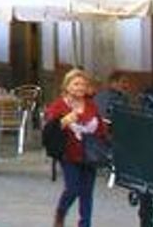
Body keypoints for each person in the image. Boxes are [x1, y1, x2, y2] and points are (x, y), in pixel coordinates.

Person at [45, 68, 108, 227]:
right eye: (76, 84)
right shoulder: (59, 105)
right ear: (67, 86)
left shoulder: (91, 105)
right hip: (69, 154)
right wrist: (63, 121)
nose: (79, 87)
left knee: (87, 193)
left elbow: (100, 127)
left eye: (83, 84)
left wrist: (105, 145)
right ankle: (61, 212)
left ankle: (85, 224)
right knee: (72, 189)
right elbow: (49, 130)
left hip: (90, 155)